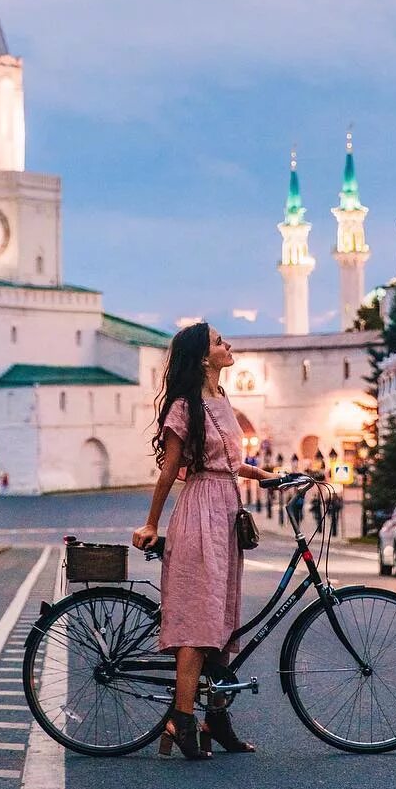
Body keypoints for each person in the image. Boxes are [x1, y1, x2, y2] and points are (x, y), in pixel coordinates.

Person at [132, 322, 279, 761]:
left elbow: (228, 461)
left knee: (221, 619)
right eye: (219, 342)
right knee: (199, 620)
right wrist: (151, 523)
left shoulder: (223, 399)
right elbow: (171, 468)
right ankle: (182, 718)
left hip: (226, 511)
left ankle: (217, 717)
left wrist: (265, 475)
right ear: (202, 357)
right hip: (198, 512)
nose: (227, 345)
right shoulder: (185, 405)